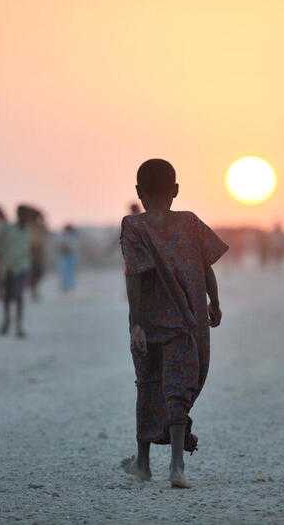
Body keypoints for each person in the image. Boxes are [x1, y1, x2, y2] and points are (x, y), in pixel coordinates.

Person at [119, 158, 228, 489]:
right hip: (186, 321)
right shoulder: (190, 222)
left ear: (138, 192)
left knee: (147, 384)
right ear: (176, 190)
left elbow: (134, 278)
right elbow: (206, 267)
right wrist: (214, 302)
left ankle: (143, 462)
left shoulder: (133, 226)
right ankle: (177, 466)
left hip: (149, 321)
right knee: (178, 388)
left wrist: (136, 324)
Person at [0, 205, 32, 338]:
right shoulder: (8, 228)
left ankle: (19, 325)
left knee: (19, 296)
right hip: (8, 267)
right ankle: (6, 321)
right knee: (7, 297)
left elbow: (28, 250)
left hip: (21, 267)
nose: (24, 217)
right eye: (22, 214)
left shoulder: (27, 230)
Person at [28, 208, 47, 301]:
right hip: (31, 250)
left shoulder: (40, 226)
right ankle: (33, 290)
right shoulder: (29, 226)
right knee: (33, 272)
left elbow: (45, 233)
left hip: (39, 251)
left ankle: (34, 289)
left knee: (39, 272)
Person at [58, 224, 79, 292]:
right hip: (65, 255)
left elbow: (74, 246)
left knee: (70, 272)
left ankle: (69, 286)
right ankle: (66, 286)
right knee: (65, 271)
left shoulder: (73, 236)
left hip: (70, 255)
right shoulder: (64, 236)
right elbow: (61, 246)